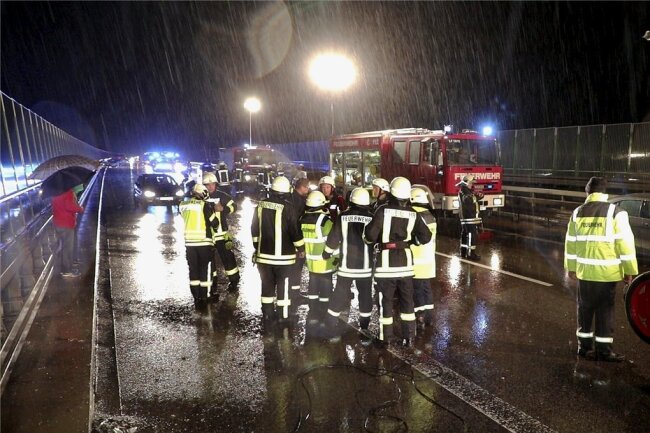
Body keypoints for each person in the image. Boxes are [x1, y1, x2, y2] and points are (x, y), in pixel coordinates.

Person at [564, 177, 638, 362]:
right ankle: (604, 351)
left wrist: (571, 268)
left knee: (585, 310)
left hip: (585, 273)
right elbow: (625, 244)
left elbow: (570, 243)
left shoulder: (577, 213)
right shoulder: (616, 212)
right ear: (605, 193)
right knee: (605, 312)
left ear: (587, 193)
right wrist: (629, 271)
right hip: (607, 274)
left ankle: (584, 347)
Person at [363, 177, 432, 347]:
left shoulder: (382, 210)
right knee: (407, 302)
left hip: (385, 266)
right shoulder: (413, 213)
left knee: (385, 302)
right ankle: (409, 337)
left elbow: (370, 236)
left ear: (391, 192)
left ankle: (384, 338)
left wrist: (369, 237)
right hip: (406, 266)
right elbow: (426, 236)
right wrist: (411, 242)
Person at [251, 176, 305, 323]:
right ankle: (284, 316)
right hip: (284, 259)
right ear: (287, 191)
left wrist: (258, 247)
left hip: (263, 258)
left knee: (267, 286)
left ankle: (268, 315)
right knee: (284, 287)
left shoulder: (260, 206)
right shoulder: (289, 208)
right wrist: (301, 248)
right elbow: (295, 231)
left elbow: (254, 230)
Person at [323, 187, 374, 337]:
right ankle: (364, 327)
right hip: (365, 268)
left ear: (351, 200)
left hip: (346, 267)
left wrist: (327, 252)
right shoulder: (372, 218)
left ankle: (331, 325)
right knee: (365, 296)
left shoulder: (342, 216)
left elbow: (334, 237)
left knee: (339, 294)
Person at [179, 184, 220, 307]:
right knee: (205, 270)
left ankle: (196, 296)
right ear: (203, 193)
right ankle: (206, 295)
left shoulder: (183, 205)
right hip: (204, 242)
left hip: (189, 243)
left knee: (193, 270)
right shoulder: (204, 205)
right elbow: (214, 223)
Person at [299, 191, 337, 323]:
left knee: (313, 287)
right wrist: (337, 258)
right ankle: (323, 312)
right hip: (325, 262)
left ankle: (313, 312)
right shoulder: (325, 221)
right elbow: (334, 240)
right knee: (326, 289)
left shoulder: (302, 219)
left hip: (310, 262)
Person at [202, 172, 240, 298]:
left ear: (215, 184)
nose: (210, 187)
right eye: (207, 185)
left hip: (221, 234)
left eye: (212, 184)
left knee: (228, 259)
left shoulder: (222, 196)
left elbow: (234, 206)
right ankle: (212, 287)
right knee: (209, 263)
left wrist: (224, 210)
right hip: (207, 237)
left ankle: (234, 282)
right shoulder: (201, 198)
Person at [409, 187, 437, 329]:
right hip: (428, 260)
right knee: (426, 289)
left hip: (416, 260)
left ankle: (420, 316)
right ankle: (429, 317)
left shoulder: (414, 215)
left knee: (417, 290)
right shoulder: (430, 216)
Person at [51, 188, 84, 278]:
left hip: (58, 223)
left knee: (62, 246)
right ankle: (66, 270)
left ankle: (63, 266)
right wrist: (80, 209)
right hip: (66, 223)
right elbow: (70, 206)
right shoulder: (68, 192)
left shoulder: (54, 193)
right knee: (67, 247)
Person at [289, 177, 310, 292]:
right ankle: (294, 293)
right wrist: (300, 246)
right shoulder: (299, 201)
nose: (308, 189)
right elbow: (296, 222)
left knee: (294, 267)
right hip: (296, 237)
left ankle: (293, 291)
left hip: (290, 237)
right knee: (297, 267)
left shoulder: (292, 197)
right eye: (307, 187)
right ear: (302, 187)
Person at [457, 174, 483, 260]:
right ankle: (471, 254)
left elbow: (471, 200)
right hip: (469, 218)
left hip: (467, 218)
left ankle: (463, 252)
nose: (472, 184)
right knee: (472, 235)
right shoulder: (465, 192)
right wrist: (478, 196)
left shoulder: (465, 191)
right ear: (467, 182)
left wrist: (477, 196)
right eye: (471, 183)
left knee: (465, 234)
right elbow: (470, 201)